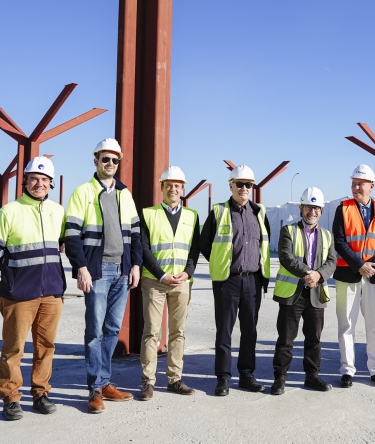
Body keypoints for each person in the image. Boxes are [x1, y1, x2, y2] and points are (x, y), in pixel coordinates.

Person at [63, 138, 142, 413]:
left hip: (122, 270)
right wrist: (81, 267)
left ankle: (105, 382)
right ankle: (95, 389)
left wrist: (135, 265)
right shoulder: (82, 192)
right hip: (97, 271)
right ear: (95, 160)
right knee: (94, 330)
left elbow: (135, 234)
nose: (110, 164)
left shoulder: (125, 194)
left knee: (111, 330)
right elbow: (71, 234)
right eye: (105, 159)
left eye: (114, 160)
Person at [0, 157, 66, 421]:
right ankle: (10, 398)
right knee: (14, 348)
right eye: (34, 178)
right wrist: (16, 275)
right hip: (19, 293)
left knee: (46, 347)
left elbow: (65, 244)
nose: (39, 184)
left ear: (50, 184)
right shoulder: (8, 212)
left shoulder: (58, 211)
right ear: (25, 181)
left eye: (44, 180)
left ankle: (41, 393)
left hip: (52, 292)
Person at [199, 164, 271, 396]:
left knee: (250, 330)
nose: (244, 188)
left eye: (248, 184)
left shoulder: (259, 212)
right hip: (227, 280)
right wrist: (219, 264)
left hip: (253, 280)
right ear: (231, 185)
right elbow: (205, 243)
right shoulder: (219, 211)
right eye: (239, 184)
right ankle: (223, 377)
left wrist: (262, 276)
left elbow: (265, 245)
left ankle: (246, 374)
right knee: (225, 331)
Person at [138, 166, 201, 400]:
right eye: (169, 185)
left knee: (178, 332)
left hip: (182, 282)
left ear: (182, 189)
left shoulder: (192, 216)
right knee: (151, 332)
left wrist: (188, 272)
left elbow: (194, 248)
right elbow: (144, 248)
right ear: (161, 187)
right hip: (155, 281)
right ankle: (148, 382)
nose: (173, 189)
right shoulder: (148, 214)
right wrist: (161, 274)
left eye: (177, 185)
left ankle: (174, 379)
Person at [331, 164, 375, 388]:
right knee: (346, 324)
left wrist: (373, 265)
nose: (356, 187)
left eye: (361, 183)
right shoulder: (343, 208)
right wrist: (360, 265)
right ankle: (347, 370)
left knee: (374, 325)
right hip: (348, 275)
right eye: (354, 183)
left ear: (372, 186)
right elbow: (339, 241)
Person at [271, 187, 338, 395]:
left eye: (317, 208)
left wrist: (318, 275)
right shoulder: (288, 231)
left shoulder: (327, 235)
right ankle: (280, 378)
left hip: (316, 293)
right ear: (301, 207)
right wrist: (308, 273)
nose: (313, 212)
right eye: (309, 207)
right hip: (293, 293)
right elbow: (286, 257)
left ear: (322, 210)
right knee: (286, 339)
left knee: (314, 339)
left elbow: (332, 261)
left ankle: (312, 376)